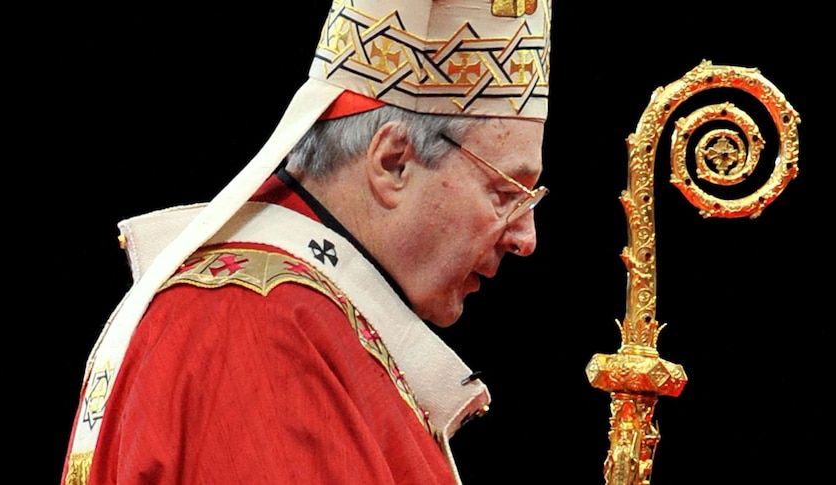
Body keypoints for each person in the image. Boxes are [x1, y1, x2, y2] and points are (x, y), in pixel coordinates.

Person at [61, 1, 552, 483]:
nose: (526, 238)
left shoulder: (308, 318)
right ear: (392, 162)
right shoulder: (253, 327)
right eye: (506, 192)